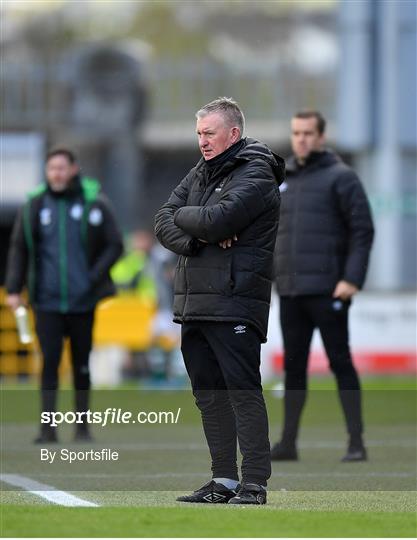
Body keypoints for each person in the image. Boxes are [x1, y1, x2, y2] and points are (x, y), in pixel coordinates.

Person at [155, 97, 284, 505]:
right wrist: (198, 236)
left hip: (234, 300)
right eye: (198, 134)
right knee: (209, 396)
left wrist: (199, 221)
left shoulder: (257, 172)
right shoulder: (201, 172)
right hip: (194, 303)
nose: (202, 142)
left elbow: (218, 219)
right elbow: (163, 219)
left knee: (242, 392)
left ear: (233, 133)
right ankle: (223, 480)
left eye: (209, 133)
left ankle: (255, 483)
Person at [271, 110, 374, 463]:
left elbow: (363, 230)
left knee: (340, 363)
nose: (301, 138)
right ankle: (288, 442)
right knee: (293, 368)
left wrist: (352, 279)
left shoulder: (342, 177)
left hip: (330, 289)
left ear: (321, 137)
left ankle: (356, 442)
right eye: (296, 132)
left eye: (308, 133)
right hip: (290, 289)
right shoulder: (282, 178)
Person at [5, 148, 123, 443]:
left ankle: (82, 428)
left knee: (82, 365)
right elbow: (19, 248)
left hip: (83, 301)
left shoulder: (94, 203)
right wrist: (13, 288)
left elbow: (115, 244)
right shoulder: (34, 205)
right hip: (46, 300)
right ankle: (48, 429)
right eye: (51, 168)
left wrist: (93, 277)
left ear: (73, 169)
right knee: (49, 364)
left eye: (61, 167)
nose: (56, 173)